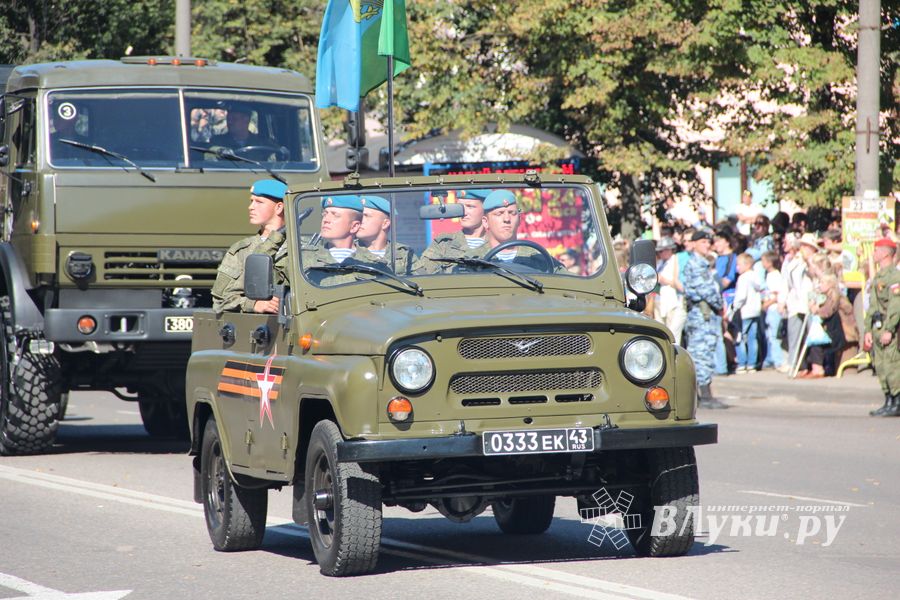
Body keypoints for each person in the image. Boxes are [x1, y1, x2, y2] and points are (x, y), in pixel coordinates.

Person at [212, 179, 287, 314]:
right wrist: (254, 304)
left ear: (279, 207)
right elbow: (220, 301)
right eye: (251, 201)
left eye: (259, 202)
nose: (251, 207)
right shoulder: (241, 250)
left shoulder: (303, 249)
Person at [682, 230, 727, 408]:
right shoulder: (697, 264)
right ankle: (704, 395)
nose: (707, 245)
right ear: (693, 244)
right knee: (701, 353)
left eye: (708, 242)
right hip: (702, 314)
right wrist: (719, 304)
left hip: (702, 314)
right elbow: (707, 291)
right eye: (702, 242)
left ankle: (703, 394)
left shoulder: (701, 263)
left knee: (702, 352)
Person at [862, 238, 900, 416]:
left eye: (877, 251)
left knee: (892, 365)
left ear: (886, 254)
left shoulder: (894, 276)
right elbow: (873, 306)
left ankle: (897, 402)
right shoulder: (879, 276)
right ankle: (888, 400)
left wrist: (889, 329)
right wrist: (868, 330)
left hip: (888, 327)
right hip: (877, 326)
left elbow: (895, 305)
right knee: (881, 366)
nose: (874, 254)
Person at [416, 188, 489, 272]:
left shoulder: (496, 243)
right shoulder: (444, 244)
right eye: (459, 207)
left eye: (470, 206)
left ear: (485, 210)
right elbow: (423, 274)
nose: (463, 212)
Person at [356, 195, 416, 274]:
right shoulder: (349, 251)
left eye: (366, 216)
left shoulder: (404, 254)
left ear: (385, 223)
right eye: (359, 216)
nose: (360, 220)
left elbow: (423, 281)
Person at [730, 253, 762, 373]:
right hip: (755, 311)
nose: (737, 267)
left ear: (747, 264)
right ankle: (752, 363)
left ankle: (742, 363)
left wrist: (734, 307)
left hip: (744, 312)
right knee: (752, 338)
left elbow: (741, 296)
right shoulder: (756, 276)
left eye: (738, 265)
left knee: (739, 337)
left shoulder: (743, 278)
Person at [654, 237, 686, 345]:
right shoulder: (660, 264)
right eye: (660, 251)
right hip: (660, 300)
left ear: (670, 250)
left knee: (672, 331)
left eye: (663, 250)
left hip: (672, 300)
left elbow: (678, 283)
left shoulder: (675, 261)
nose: (661, 253)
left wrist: (664, 280)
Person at [760, 251, 788, 371]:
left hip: (774, 309)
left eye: (763, 260)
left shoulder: (775, 275)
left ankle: (779, 361)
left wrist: (766, 304)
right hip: (769, 309)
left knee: (774, 336)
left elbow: (777, 294)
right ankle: (770, 358)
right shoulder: (768, 274)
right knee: (769, 336)